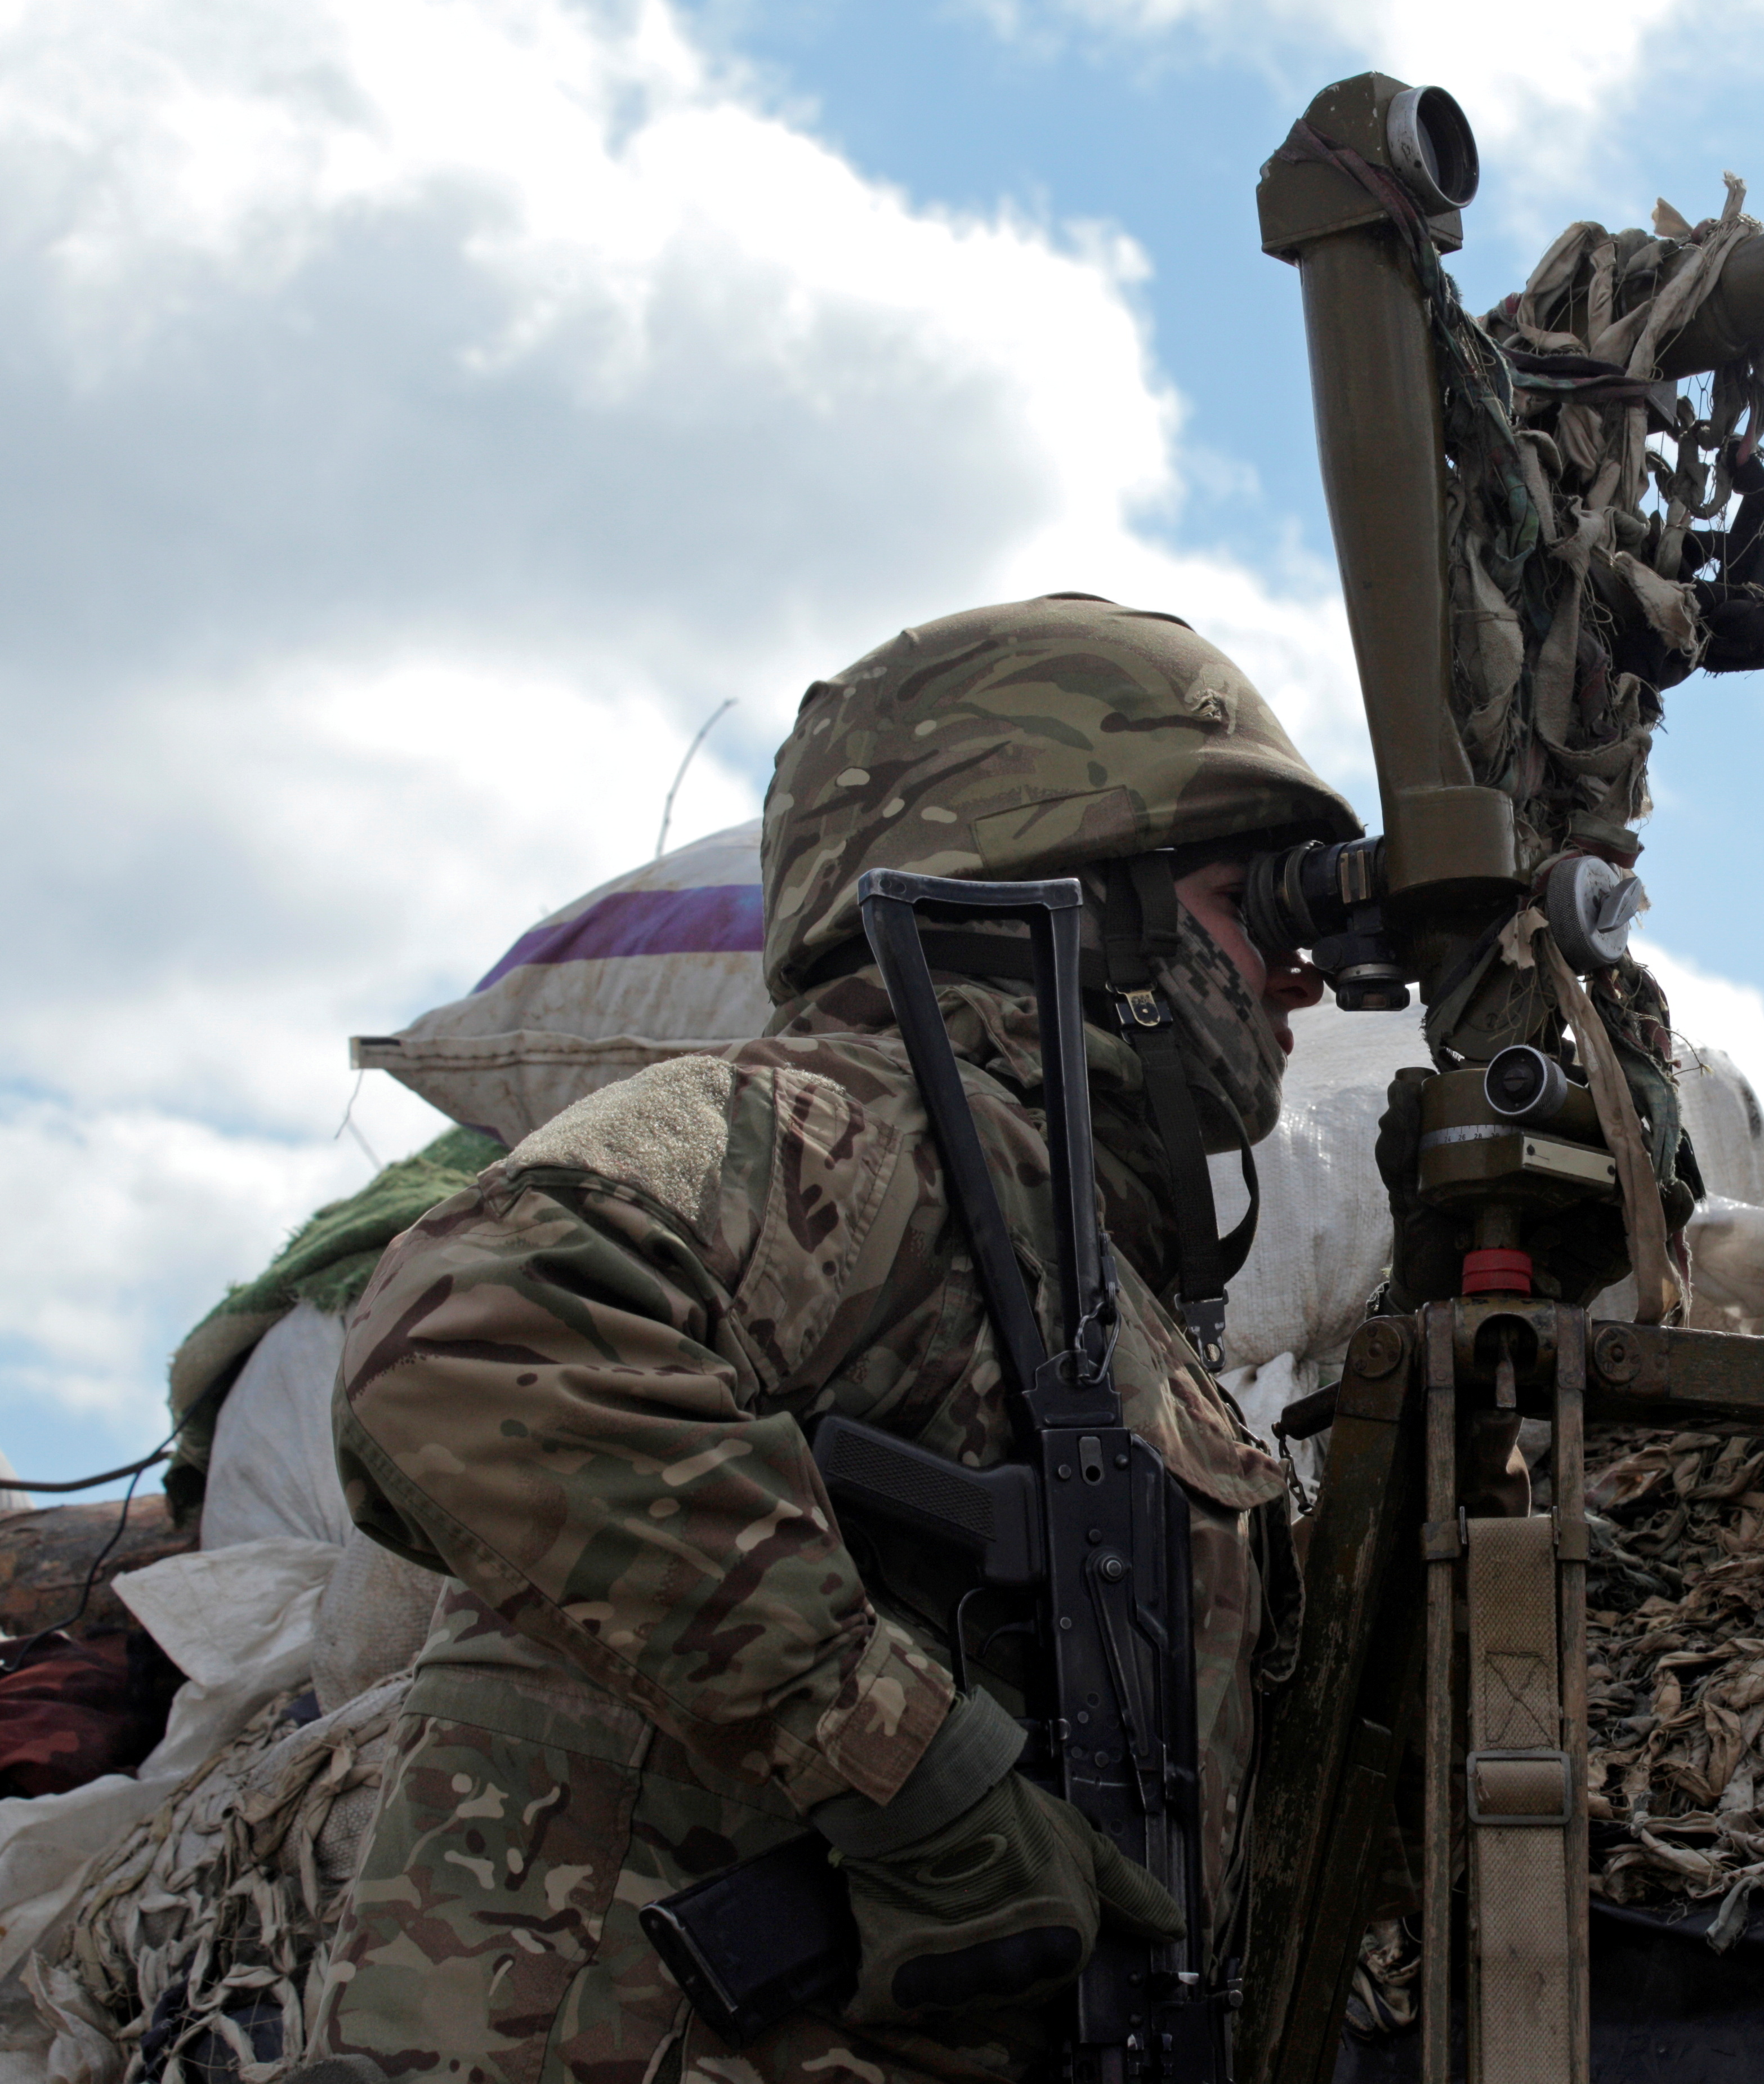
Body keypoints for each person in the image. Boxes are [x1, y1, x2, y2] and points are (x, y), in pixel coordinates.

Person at [311, 595, 1361, 2084]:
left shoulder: (1090, 1275)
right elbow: (472, 1331)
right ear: (1075, 893)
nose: (1297, 972)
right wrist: (912, 1770)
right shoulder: (870, 1135)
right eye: (1246, 904)